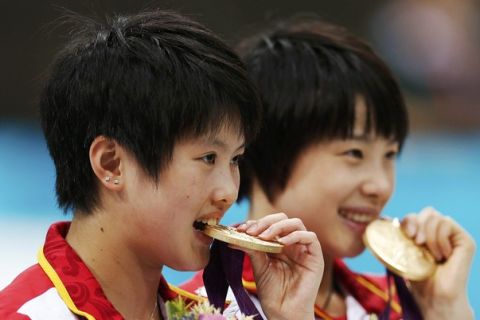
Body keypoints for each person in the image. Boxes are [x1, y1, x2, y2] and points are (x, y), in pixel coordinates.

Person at [0, 10, 324, 320]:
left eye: (235, 159)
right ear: (111, 163)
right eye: (208, 158)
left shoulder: (212, 314)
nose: (228, 193)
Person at [181, 17, 476, 319]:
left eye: (389, 155)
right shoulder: (203, 309)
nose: (381, 186)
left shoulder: (401, 306)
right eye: (354, 153)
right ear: (267, 147)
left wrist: (446, 308)